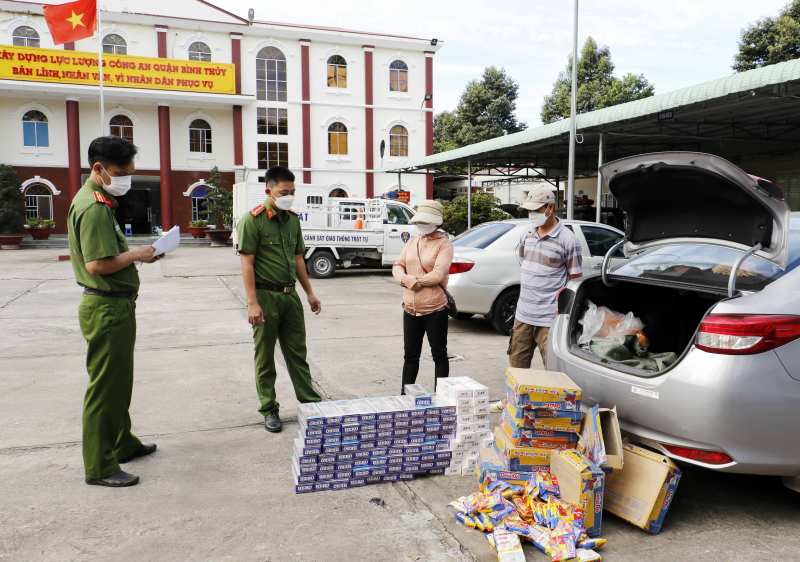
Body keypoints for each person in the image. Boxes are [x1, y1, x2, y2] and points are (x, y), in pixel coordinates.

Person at [68, 136, 161, 487]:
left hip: (116, 305)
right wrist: (137, 254)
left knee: (120, 382)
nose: (127, 179)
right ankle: (100, 466)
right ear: (98, 168)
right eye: (121, 172)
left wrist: (142, 254)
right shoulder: (93, 207)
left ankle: (122, 443)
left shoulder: (101, 201)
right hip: (106, 308)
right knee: (105, 389)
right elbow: (96, 264)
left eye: (131, 173)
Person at [237, 166, 322, 433]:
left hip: (290, 296)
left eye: (292, 192)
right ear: (269, 191)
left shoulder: (293, 219)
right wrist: (252, 302)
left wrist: (309, 292)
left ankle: (310, 403)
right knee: (264, 356)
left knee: (298, 353)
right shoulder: (253, 220)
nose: (289, 196)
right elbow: (247, 263)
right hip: (265, 297)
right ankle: (269, 409)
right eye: (284, 192)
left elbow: (298, 259)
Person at [491, 186, 583, 412]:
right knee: (517, 363)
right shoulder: (527, 233)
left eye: (536, 210)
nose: (531, 215)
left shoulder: (568, 240)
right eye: (529, 210)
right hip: (523, 314)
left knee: (553, 368)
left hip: (549, 318)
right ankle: (512, 401)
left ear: (550, 208)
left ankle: (554, 410)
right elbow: (525, 262)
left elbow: (575, 281)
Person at [392, 200, 454, 394]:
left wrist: (413, 281)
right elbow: (397, 266)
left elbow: (438, 274)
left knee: (439, 355)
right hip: (410, 308)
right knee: (410, 356)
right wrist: (408, 280)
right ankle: (404, 396)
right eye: (420, 221)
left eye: (426, 221)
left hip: (435, 308)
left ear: (437, 222)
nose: (422, 225)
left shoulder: (445, 245)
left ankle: (440, 397)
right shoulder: (413, 242)